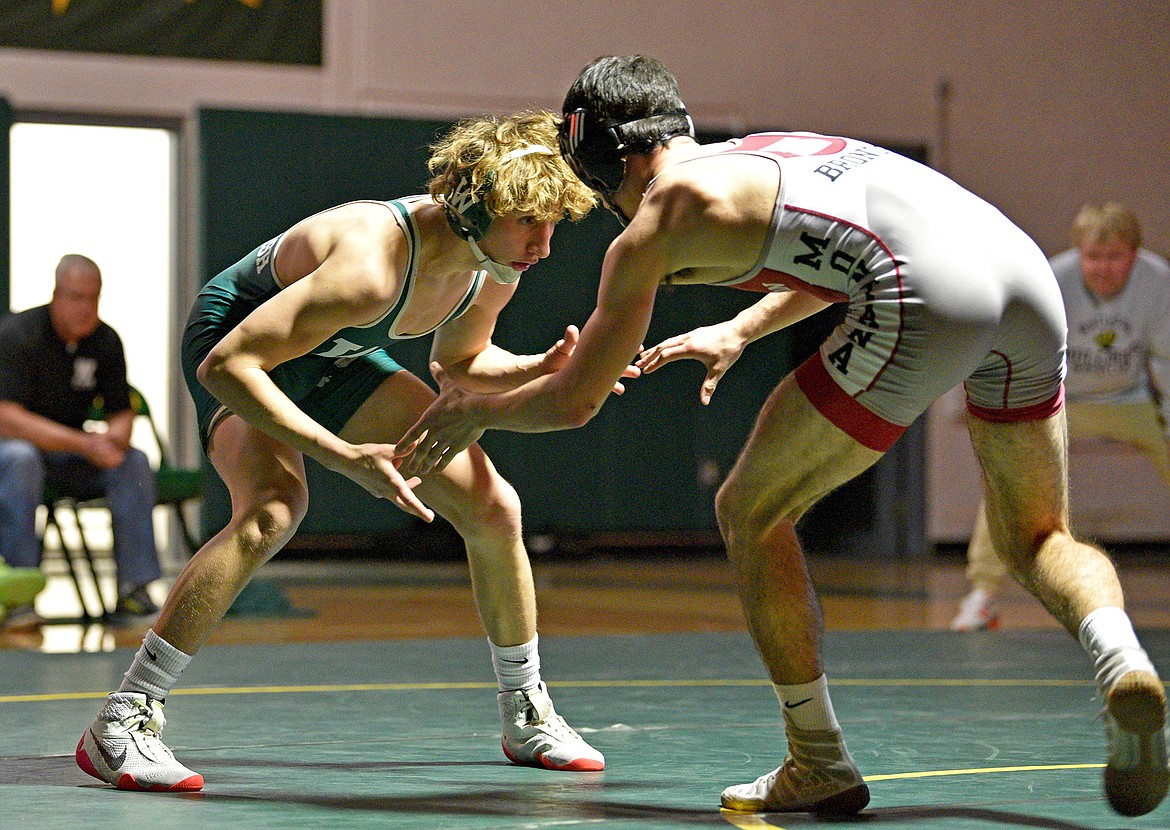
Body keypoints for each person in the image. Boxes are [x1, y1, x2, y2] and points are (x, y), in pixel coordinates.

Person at [395, 56, 1169, 818]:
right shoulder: (764, 152)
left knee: (750, 510)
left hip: (926, 293)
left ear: (612, 163)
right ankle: (1123, 664)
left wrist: (477, 410)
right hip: (1023, 273)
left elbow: (575, 401)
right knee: (1038, 536)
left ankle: (817, 760)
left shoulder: (655, 226)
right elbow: (843, 249)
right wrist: (740, 327)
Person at [75, 110, 618, 793]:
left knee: (494, 505)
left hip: (340, 353)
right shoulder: (370, 265)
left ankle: (526, 710)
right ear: (476, 207)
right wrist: (338, 453)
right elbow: (226, 367)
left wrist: (540, 365)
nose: (543, 245)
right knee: (273, 511)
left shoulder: (494, 265)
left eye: (551, 224)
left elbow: (463, 361)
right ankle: (123, 718)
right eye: (528, 223)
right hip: (242, 343)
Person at [952, 202, 1170, 631]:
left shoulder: (1159, 281)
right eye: (1094, 256)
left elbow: (1166, 360)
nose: (1103, 268)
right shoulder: (1051, 276)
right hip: (1062, 399)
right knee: (1009, 474)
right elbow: (1018, 347)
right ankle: (984, 592)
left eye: (1115, 257)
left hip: (1131, 401)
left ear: (1135, 255)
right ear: (1079, 254)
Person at [0, 254, 164, 626]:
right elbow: (7, 418)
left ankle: (134, 590)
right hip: (14, 450)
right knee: (20, 458)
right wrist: (85, 443)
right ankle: (19, 595)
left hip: (70, 456)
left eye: (93, 298)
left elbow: (121, 410)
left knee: (133, 462)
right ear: (56, 294)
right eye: (76, 297)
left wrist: (114, 441)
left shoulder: (105, 341)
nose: (85, 307)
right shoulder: (17, 336)